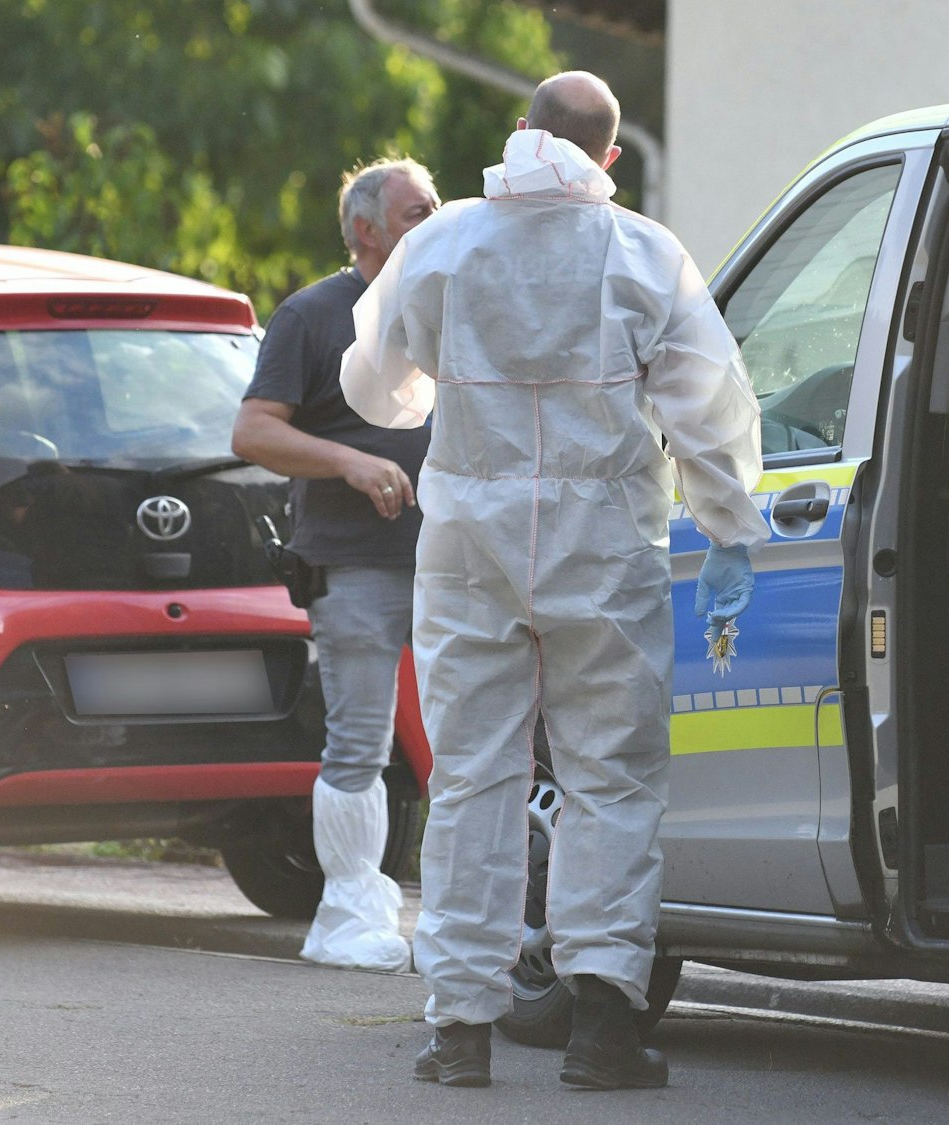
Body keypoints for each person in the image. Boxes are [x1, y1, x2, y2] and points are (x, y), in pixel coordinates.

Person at [342, 70, 765, 1092]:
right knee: (609, 780)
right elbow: (707, 410)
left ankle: (457, 1032)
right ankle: (604, 1029)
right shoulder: (643, 254)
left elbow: (374, 390)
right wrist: (729, 529)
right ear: (608, 158)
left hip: (470, 546)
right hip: (604, 543)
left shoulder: (437, 244)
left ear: (516, 131)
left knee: (473, 779)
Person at [231, 157, 441, 972]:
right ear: (366, 231)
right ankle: (347, 919)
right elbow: (252, 433)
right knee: (360, 742)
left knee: (470, 745)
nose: (435, 222)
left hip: (454, 562)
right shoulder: (312, 317)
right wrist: (349, 463)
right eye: (417, 212)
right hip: (356, 567)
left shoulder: (447, 314)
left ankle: (459, 918)